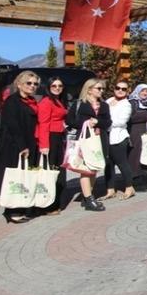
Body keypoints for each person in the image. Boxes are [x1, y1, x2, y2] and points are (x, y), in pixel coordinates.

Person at [0, 71, 41, 223]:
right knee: (15, 178)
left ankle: (23, 206)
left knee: (26, 176)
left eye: (35, 84)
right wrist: (22, 146)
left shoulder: (31, 101)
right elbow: (13, 126)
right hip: (15, 146)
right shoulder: (12, 101)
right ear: (19, 84)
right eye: (29, 83)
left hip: (30, 143)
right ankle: (12, 211)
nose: (32, 86)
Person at [65, 78, 110, 211]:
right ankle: (89, 199)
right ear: (89, 90)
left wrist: (97, 122)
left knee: (94, 168)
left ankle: (87, 197)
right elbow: (70, 121)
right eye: (98, 88)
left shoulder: (104, 105)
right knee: (86, 170)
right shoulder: (79, 104)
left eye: (102, 89)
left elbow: (108, 122)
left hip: (99, 139)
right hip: (84, 140)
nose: (101, 91)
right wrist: (85, 123)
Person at [37, 76, 68, 215]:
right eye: (54, 86)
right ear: (48, 87)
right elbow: (43, 124)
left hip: (58, 136)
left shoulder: (58, 101)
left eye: (59, 86)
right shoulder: (46, 102)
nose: (57, 88)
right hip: (50, 138)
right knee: (51, 172)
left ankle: (56, 201)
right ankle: (48, 205)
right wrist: (44, 145)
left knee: (59, 170)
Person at [104, 81, 135, 200]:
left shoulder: (126, 104)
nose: (120, 90)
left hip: (118, 137)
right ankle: (110, 189)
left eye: (124, 89)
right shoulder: (108, 101)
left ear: (128, 91)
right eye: (118, 88)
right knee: (108, 164)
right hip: (106, 137)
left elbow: (121, 122)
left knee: (122, 163)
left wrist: (105, 123)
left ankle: (129, 187)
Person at [128, 83, 147, 193]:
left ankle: (145, 181)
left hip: (146, 132)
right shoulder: (132, 103)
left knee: (146, 156)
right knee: (135, 157)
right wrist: (146, 116)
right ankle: (136, 183)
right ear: (137, 92)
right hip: (135, 133)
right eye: (142, 91)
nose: (145, 93)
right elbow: (130, 117)